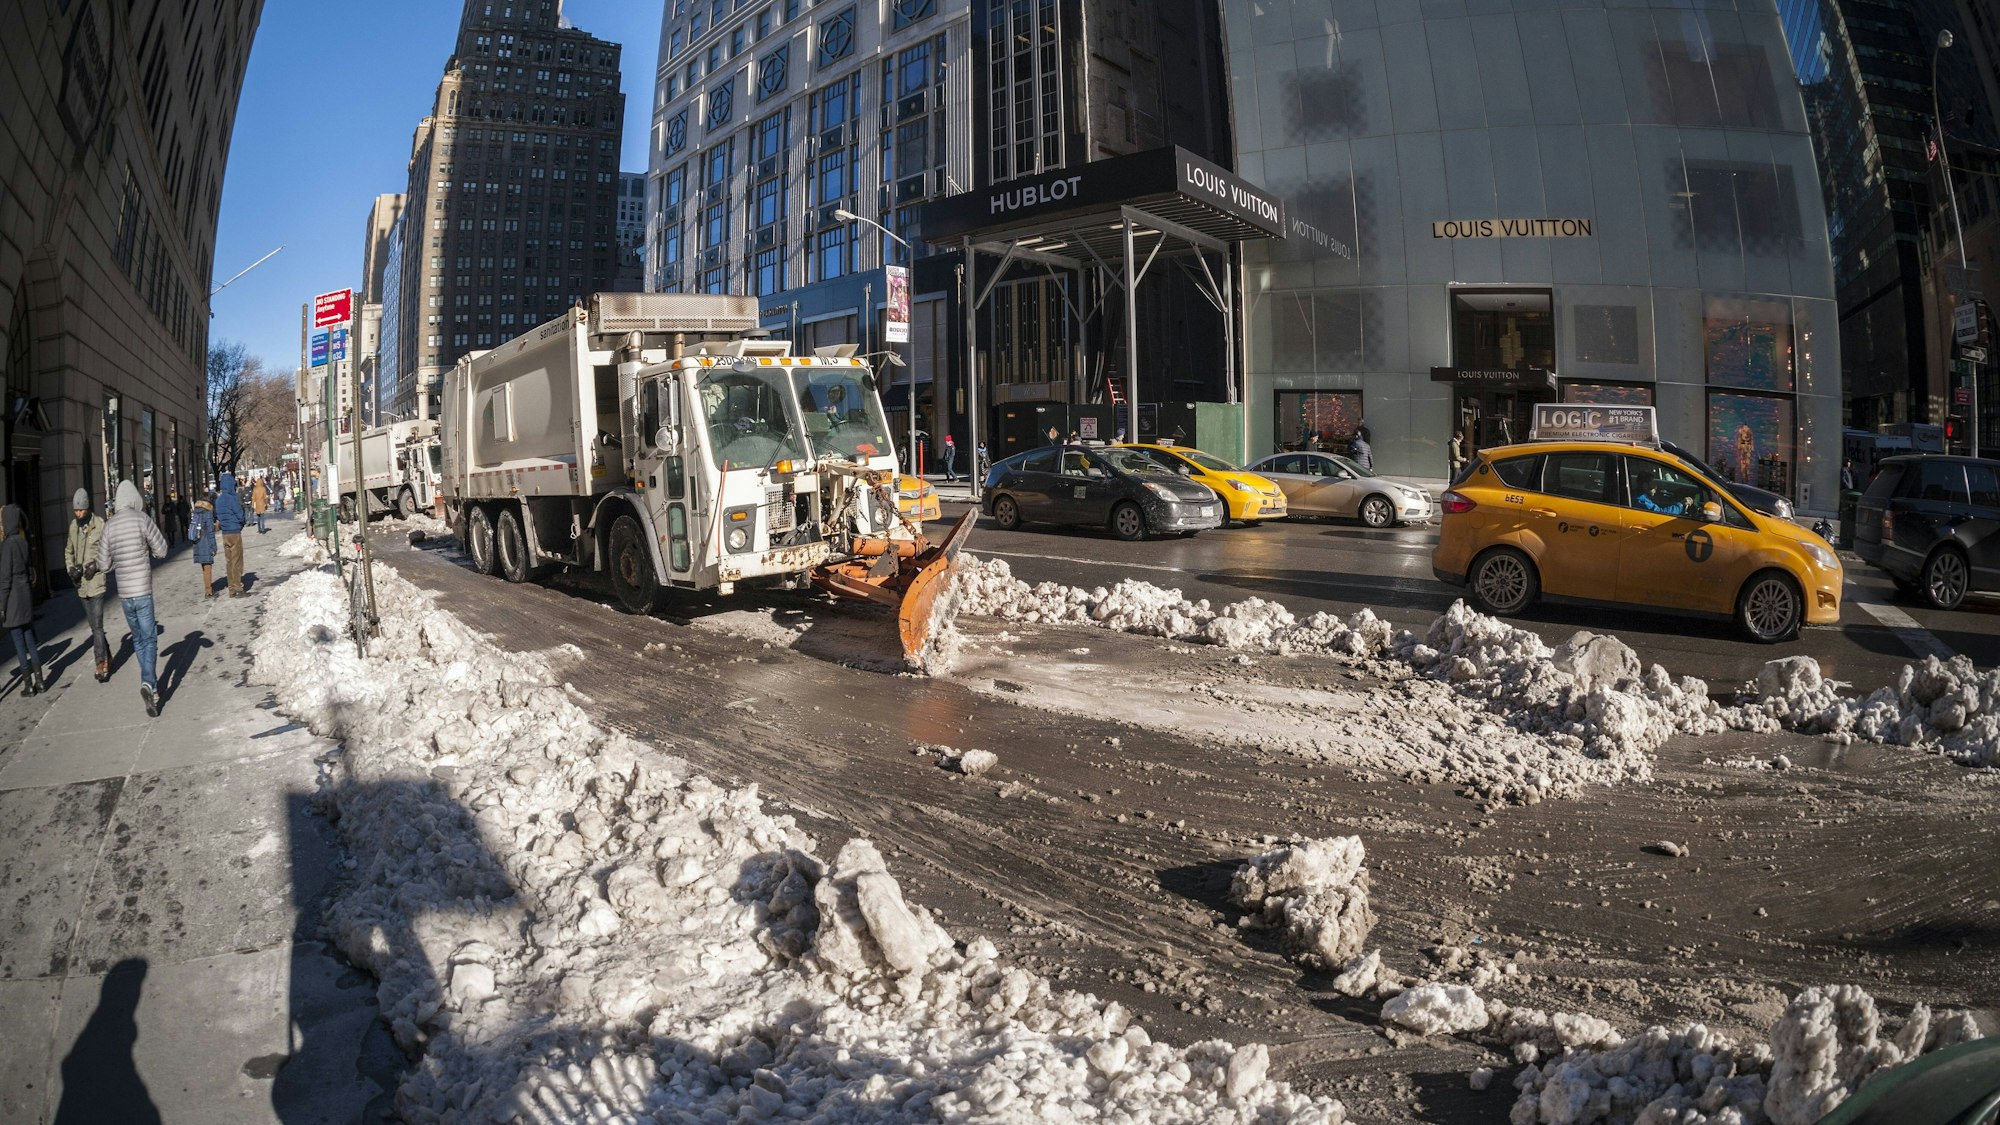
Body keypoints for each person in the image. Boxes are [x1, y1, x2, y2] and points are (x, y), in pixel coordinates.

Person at [98, 480, 169, 716]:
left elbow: (103, 565)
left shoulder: (108, 526)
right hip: (143, 591)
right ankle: (148, 682)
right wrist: (145, 550)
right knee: (150, 640)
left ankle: (153, 690)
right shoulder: (141, 519)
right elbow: (162, 550)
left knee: (138, 640)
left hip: (125, 595)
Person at [64, 489, 111, 683]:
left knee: (98, 626)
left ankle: (100, 665)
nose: (78, 514)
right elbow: (68, 551)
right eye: (75, 510)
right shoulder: (73, 527)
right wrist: (71, 570)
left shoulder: (100, 524)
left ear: (87, 508)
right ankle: (107, 655)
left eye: (81, 510)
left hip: (97, 583)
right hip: (82, 585)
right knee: (94, 627)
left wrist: (97, 565)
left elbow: (108, 552)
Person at [0, 504, 44, 696]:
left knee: (18, 642)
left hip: (13, 601)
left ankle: (28, 685)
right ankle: (40, 682)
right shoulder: (22, 542)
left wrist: (2, 606)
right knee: (30, 639)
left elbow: (5, 579)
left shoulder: (7, 546)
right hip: (25, 595)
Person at [214, 471, 248, 596]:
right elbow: (239, 515)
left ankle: (231, 588)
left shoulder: (218, 500)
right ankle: (238, 587)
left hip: (225, 534)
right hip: (234, 532)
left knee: (229, 562)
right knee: (237, 561)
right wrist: (241, 522)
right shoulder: (232, 498)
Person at [189, 489, 218, 599]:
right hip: (205, 541)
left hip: (197, 541)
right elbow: (210, 531)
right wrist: (213, 546)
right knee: (208, 566)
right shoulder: (207, 512)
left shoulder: (196, 511)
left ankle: (208, 587)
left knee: (204, 566)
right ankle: (208, 590)